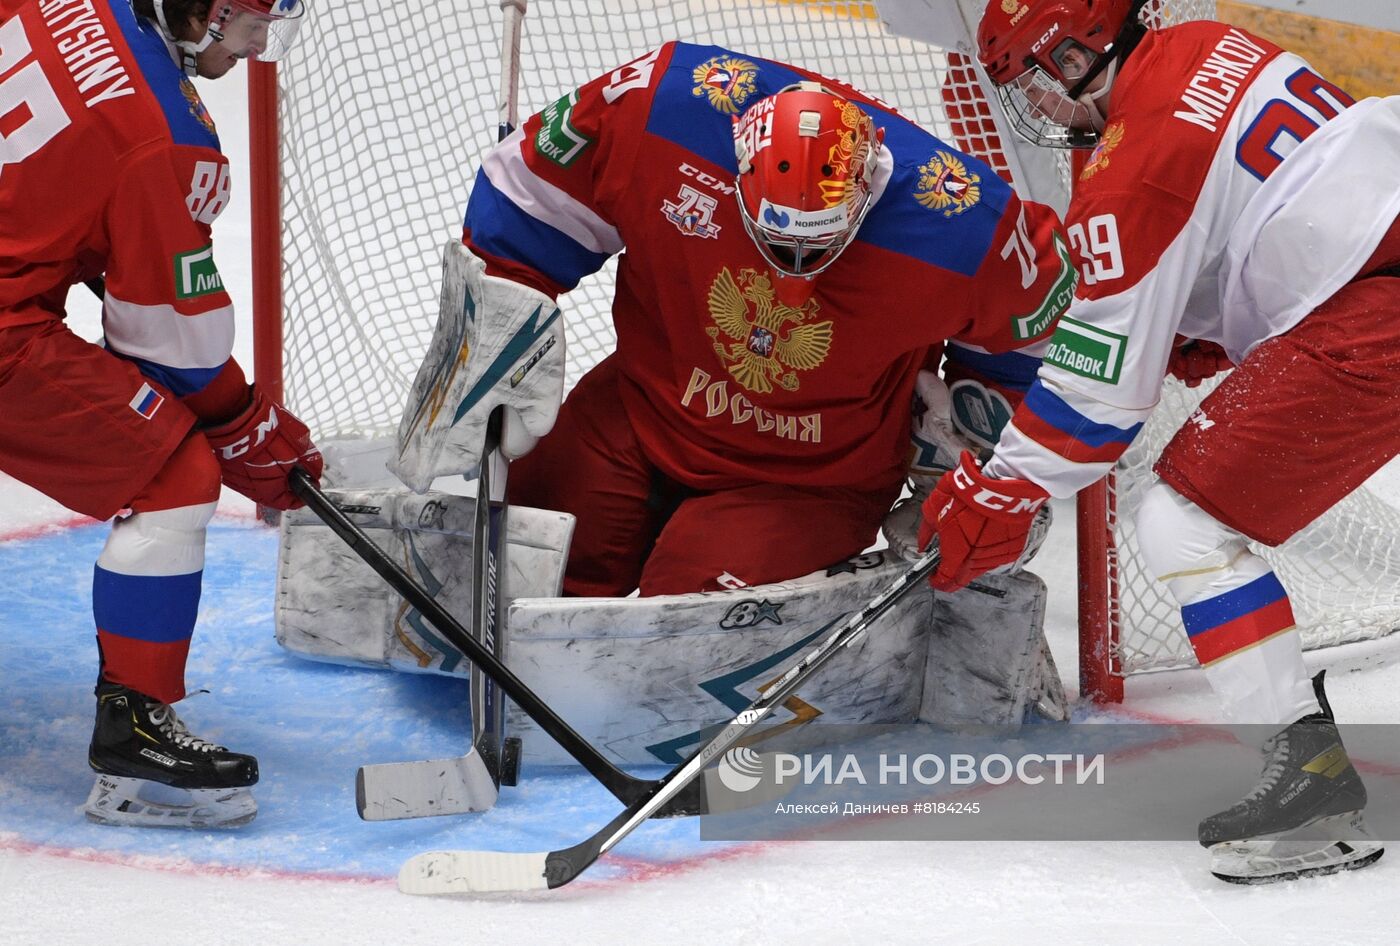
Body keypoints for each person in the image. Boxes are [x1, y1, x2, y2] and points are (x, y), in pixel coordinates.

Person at [923, 0, 1400, 882]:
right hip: (1379, 253)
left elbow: (1094, 406)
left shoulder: (1134, 162)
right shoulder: (1204, 45)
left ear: (1073, 55)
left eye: (1033, 71)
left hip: (1375, 307)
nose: (1030, 97)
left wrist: (1000, 487)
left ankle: (1312, 784)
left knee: (1181, 523)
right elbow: (1275, 192)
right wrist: (1208, 317)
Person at [413, 41, 1074, 599]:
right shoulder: (665, 112)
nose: (791, 275)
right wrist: (496, 315)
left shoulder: (961, 222)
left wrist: (984, 463)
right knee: (518, 569)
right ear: (735, 174)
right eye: (774, 243)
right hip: (644, 407)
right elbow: (528, 189)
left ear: (868, 192)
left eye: (817, 247)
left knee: (681, 626)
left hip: (810, 480)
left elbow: (1049, 330)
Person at [0, 0, 320, 828]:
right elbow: (171, 343)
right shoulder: (166, 134)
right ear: (208, 11)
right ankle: (135, 735)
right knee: (176, 471)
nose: (257, 49)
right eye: (254, 25)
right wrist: (247, 427)